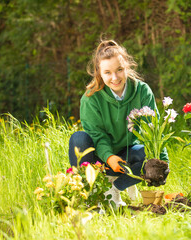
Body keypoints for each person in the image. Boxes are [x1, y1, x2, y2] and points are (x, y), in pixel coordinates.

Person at [68, 39, 169, 207]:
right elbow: (96, 135)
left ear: (127, 67)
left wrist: (163, 163)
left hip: (127, 156)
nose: (115, 77)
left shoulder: (142, 91)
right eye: (107, 72)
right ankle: (87, 195)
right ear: (99, 73)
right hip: (100, 158)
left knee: (147, 154)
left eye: (119, 70)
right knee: (79, 139)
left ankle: (114, 190)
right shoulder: (91, 98)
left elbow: (154, 129)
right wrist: (109, 156)